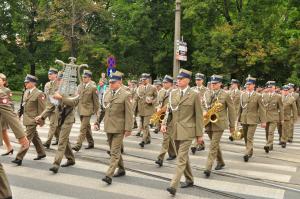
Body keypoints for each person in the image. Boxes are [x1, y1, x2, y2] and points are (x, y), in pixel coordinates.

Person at [162, 69, 203, 196]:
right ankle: (190, 179)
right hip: (175, 130)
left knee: (180, 158)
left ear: (188, 80)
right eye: (178, 79)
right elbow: (169, 112)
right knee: (184, 157)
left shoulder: (194, 94)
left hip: (188, 131)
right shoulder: (173, 93)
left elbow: (199, 116)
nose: (178, 81)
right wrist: (163, 123)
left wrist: (199, 135)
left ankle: (173, 185)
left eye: (181, 79)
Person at [101, 71, 133, 185]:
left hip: (119, 128)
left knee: (114, 152)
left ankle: (108, 175)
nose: (111, 84)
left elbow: (129, 113)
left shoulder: (126, 94)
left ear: (119, 82)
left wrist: (128, 128)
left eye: (113, 82)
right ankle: (122, 169)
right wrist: (97, 122)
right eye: (110, 82)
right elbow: (104, 109)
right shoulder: (108, 93)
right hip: (109, 126)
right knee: (115, 150)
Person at [203, 75, 236, 177]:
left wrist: (232, 126)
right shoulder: (207, 93)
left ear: (220, 84)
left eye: (215, 83)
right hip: (208, 122)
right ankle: (221, 162)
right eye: (212, 83)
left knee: (213, 145)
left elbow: (231, 111)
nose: (213, 85)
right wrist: (204, 111)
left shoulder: (225, 95)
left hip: (219, 123)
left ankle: (208, 167)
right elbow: (203, 105)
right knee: (215, 144)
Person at [12, 74, 46, 166]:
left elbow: (42, 109)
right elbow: (23, 105)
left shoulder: (39, 93)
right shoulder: (26, 92)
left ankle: (19, 158)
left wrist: (41, 120)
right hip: (26, 119)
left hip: (33, 120)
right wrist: (19, 114)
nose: (25, 84)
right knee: (35, 137)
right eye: (25, 82)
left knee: (26, 138)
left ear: (33, 83)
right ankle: (41, 153)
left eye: (27, 82)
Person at [239, 76, 266, 162]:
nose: (248, 86)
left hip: (253, 120)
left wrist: (263, 121)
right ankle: (250, 150)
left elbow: (262, 109)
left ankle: (246, 153)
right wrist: (237, 120)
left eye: (250, 84)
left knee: (250, 137)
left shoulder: (258, 95)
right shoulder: (242, 95)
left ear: (254, 85)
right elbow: (240, 108)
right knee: (246, 137)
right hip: (244, 119)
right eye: (247, 84)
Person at [72, 70, 99, 151]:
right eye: (83, 77)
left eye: (85, 77)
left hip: (88, 111)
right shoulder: (80, 86)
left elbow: (96, 101)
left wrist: (96, 112)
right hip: (80, 110)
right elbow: (77, 98)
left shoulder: (93, 88)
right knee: (87, 127)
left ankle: (78, 145)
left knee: (83, 128)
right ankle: (91, 142)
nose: (83, 78)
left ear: (89, 78)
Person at [155, 75, 177, 167]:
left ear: (171, 84)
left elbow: (172, 105)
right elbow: (157, 103)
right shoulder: (161, 92)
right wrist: (158, 109)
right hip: (162, 117)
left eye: (166, 82)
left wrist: (162, 109)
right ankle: (173, 153)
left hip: (171, 118)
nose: (164, 84)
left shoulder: (175, 93)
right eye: (163, 82)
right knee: (167, 137)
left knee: (166, 138)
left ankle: (160, 157)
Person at [135, 73, 157, 148]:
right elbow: (136, 98)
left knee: (145, 125)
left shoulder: (153, 88)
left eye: (144, 79)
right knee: (144, 126)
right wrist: (134, 109)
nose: (143, 80)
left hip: (149, 109)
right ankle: (148, 139)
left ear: (148, 79)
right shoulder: (139, 88)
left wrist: (152, 101)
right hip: (141, 109)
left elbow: (156, 97)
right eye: (142, 79)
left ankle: (143, 140)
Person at [262, 81, 283, 153]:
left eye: (271, 87)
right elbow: (262, 108)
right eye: (268, 87)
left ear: (274, 87)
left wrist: (282, 119)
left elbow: (281, 108)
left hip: (274, 117)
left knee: (271, 132)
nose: (269, 88)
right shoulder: (264, 95)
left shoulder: (278, 96)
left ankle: (268, 145)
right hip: (266, 117)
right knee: (267, 132)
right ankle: (270, 145)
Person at [43, 68, 60, 148]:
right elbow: (46, 96)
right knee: (54, 126)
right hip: (48, 107)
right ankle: (58, 138)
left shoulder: (59, 84)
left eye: (51, 74)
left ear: (56, 75)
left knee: (52, 125)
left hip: (56, 108)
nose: (49, 75)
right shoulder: (47, 84)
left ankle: (48, 142)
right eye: (49, 74)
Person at [191, 73, 207, 154]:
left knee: (200, 128)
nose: (197, 81)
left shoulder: (206, 90)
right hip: (193, 111)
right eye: (196, 80)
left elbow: (207, 102)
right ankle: (201, 144)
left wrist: (205, 111)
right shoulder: (192, 89)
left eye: (199, 80)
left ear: (202, 80)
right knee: (194, 128)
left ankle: (194, 145)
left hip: (203, 111)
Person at [0, 73, 14, 156]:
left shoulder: (6, 90)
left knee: (3, 131)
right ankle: (9, 147)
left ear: (4, 81)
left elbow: (10, 103)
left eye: (0, 80)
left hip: (3, 115)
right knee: (4, 132)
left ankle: (9, 147)